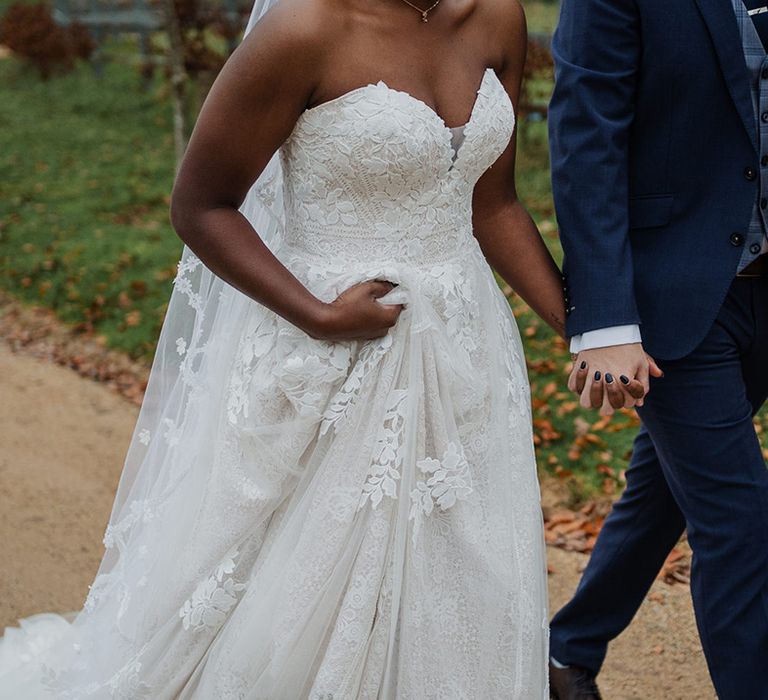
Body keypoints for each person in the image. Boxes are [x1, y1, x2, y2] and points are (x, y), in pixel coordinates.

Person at [0, 0, 573, 695]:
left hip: (463, 347)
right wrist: (318, 316)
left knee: (454, 566)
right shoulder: (306, 28)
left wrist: (587, 327)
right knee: (294, 582)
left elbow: (492, 202)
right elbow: (201, 204)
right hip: (329, 355)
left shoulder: (495, 18)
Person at [548, 0, 768, 698]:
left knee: (662, 494)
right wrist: (607, 323)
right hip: (675, 290)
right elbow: (588, 137)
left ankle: (565, 654)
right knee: (742, 523)